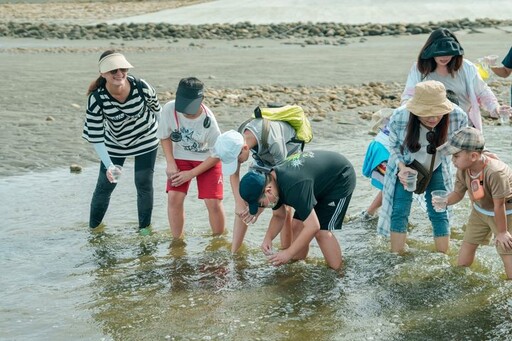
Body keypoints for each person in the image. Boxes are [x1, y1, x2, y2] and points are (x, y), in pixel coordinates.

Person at [376, 80, 468, 253]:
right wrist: (402, 167)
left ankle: (443, 257)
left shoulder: (458, 116)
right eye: (426, 113)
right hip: (408, 165)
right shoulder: (400, 116)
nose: (433, 118)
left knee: (439, 209)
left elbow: (467, 144)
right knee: (399, 210)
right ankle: (397, 255)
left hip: (437, 164)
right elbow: (394, 146)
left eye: (438, 113)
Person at [82, 50, 162, 234]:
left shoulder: (141, 86)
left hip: (146, 139)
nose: (119, 74)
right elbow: (96, 136)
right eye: (113, 71)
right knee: (105, 186)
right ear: (103, 74)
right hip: (115, 145)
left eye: (122, 69)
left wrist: (167, 140)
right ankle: (93, 231)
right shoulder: (96, 99)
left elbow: (159, 112)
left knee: (143, 183)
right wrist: (109, 165)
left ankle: (144, 231)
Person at [238, 150, 356, 270]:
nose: (262, 207)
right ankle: (298, 265)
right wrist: (268, 238)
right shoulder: (272, 183)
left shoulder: (293, 187)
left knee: (322, 232)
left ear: (268, 191)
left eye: (261, 204)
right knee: (297, 225)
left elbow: (313, 226)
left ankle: (339, 273)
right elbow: (279, 216)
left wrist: (288, 253)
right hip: (315, 184)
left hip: (339, 179)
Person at [213, 115, 303, 253]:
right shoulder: (236, 139)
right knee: (245, 200)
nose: (238, 163)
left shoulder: (274, 142)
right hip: (262, 157)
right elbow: (234, 174)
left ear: (244, 148)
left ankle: (286, 248)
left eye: (237, 159)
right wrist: (239, 203)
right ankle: (234, 252)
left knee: (282, 205)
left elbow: (282, 178)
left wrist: (258, 209)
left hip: (286, 155)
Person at [435, 127, 512, 279]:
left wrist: (502, 232)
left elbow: (499, 205)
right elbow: (458, 193)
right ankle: (459, 278)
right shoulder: (463, 169)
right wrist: (445, 201)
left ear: (474, 156)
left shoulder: (496, 172)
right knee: (466, 248)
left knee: (507, 252)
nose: (453, 160)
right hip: (480, 212)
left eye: (456, 156)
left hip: (505, 214)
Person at [156, 77, 225, 239]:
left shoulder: (209, 121)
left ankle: (218, 241)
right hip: (181, 157)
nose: (186, 110)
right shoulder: (169, 109)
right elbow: (164, 136)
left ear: (201, 100)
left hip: (208, 159)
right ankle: (177, 241)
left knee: (212, 202)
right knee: (174, 198)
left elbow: (217, 153)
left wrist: (191, 173)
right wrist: (170, 162)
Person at [401, 27, 500, 131]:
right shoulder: (419, 70)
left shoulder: (467, 67)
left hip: (463, 127)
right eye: (439, 53)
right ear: (430, 51)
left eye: (449, 52)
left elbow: (482, 92)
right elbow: (409, 97)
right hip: (429, 128)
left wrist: (495, 108)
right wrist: (401, 114)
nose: (444, 57)